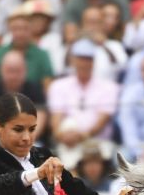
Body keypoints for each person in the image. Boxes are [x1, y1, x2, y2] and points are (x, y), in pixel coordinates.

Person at [47, 38, 119, 166]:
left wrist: (81, 136)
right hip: (66, 142)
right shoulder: (58, 86)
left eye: (88, 59)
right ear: (73, 60)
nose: (84, 63)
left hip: (97, 143)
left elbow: (102, 121)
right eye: (80, 59)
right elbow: (56, 118)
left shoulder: (109, 87)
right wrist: (61, 135)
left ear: (93, 61)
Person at [0, 6, 53, 89]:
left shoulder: (42, 56)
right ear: (10, 30)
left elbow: (47, 86)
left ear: (31, 30)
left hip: (34, 99)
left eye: (24, 28)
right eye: (16, 29)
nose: (20, 33)